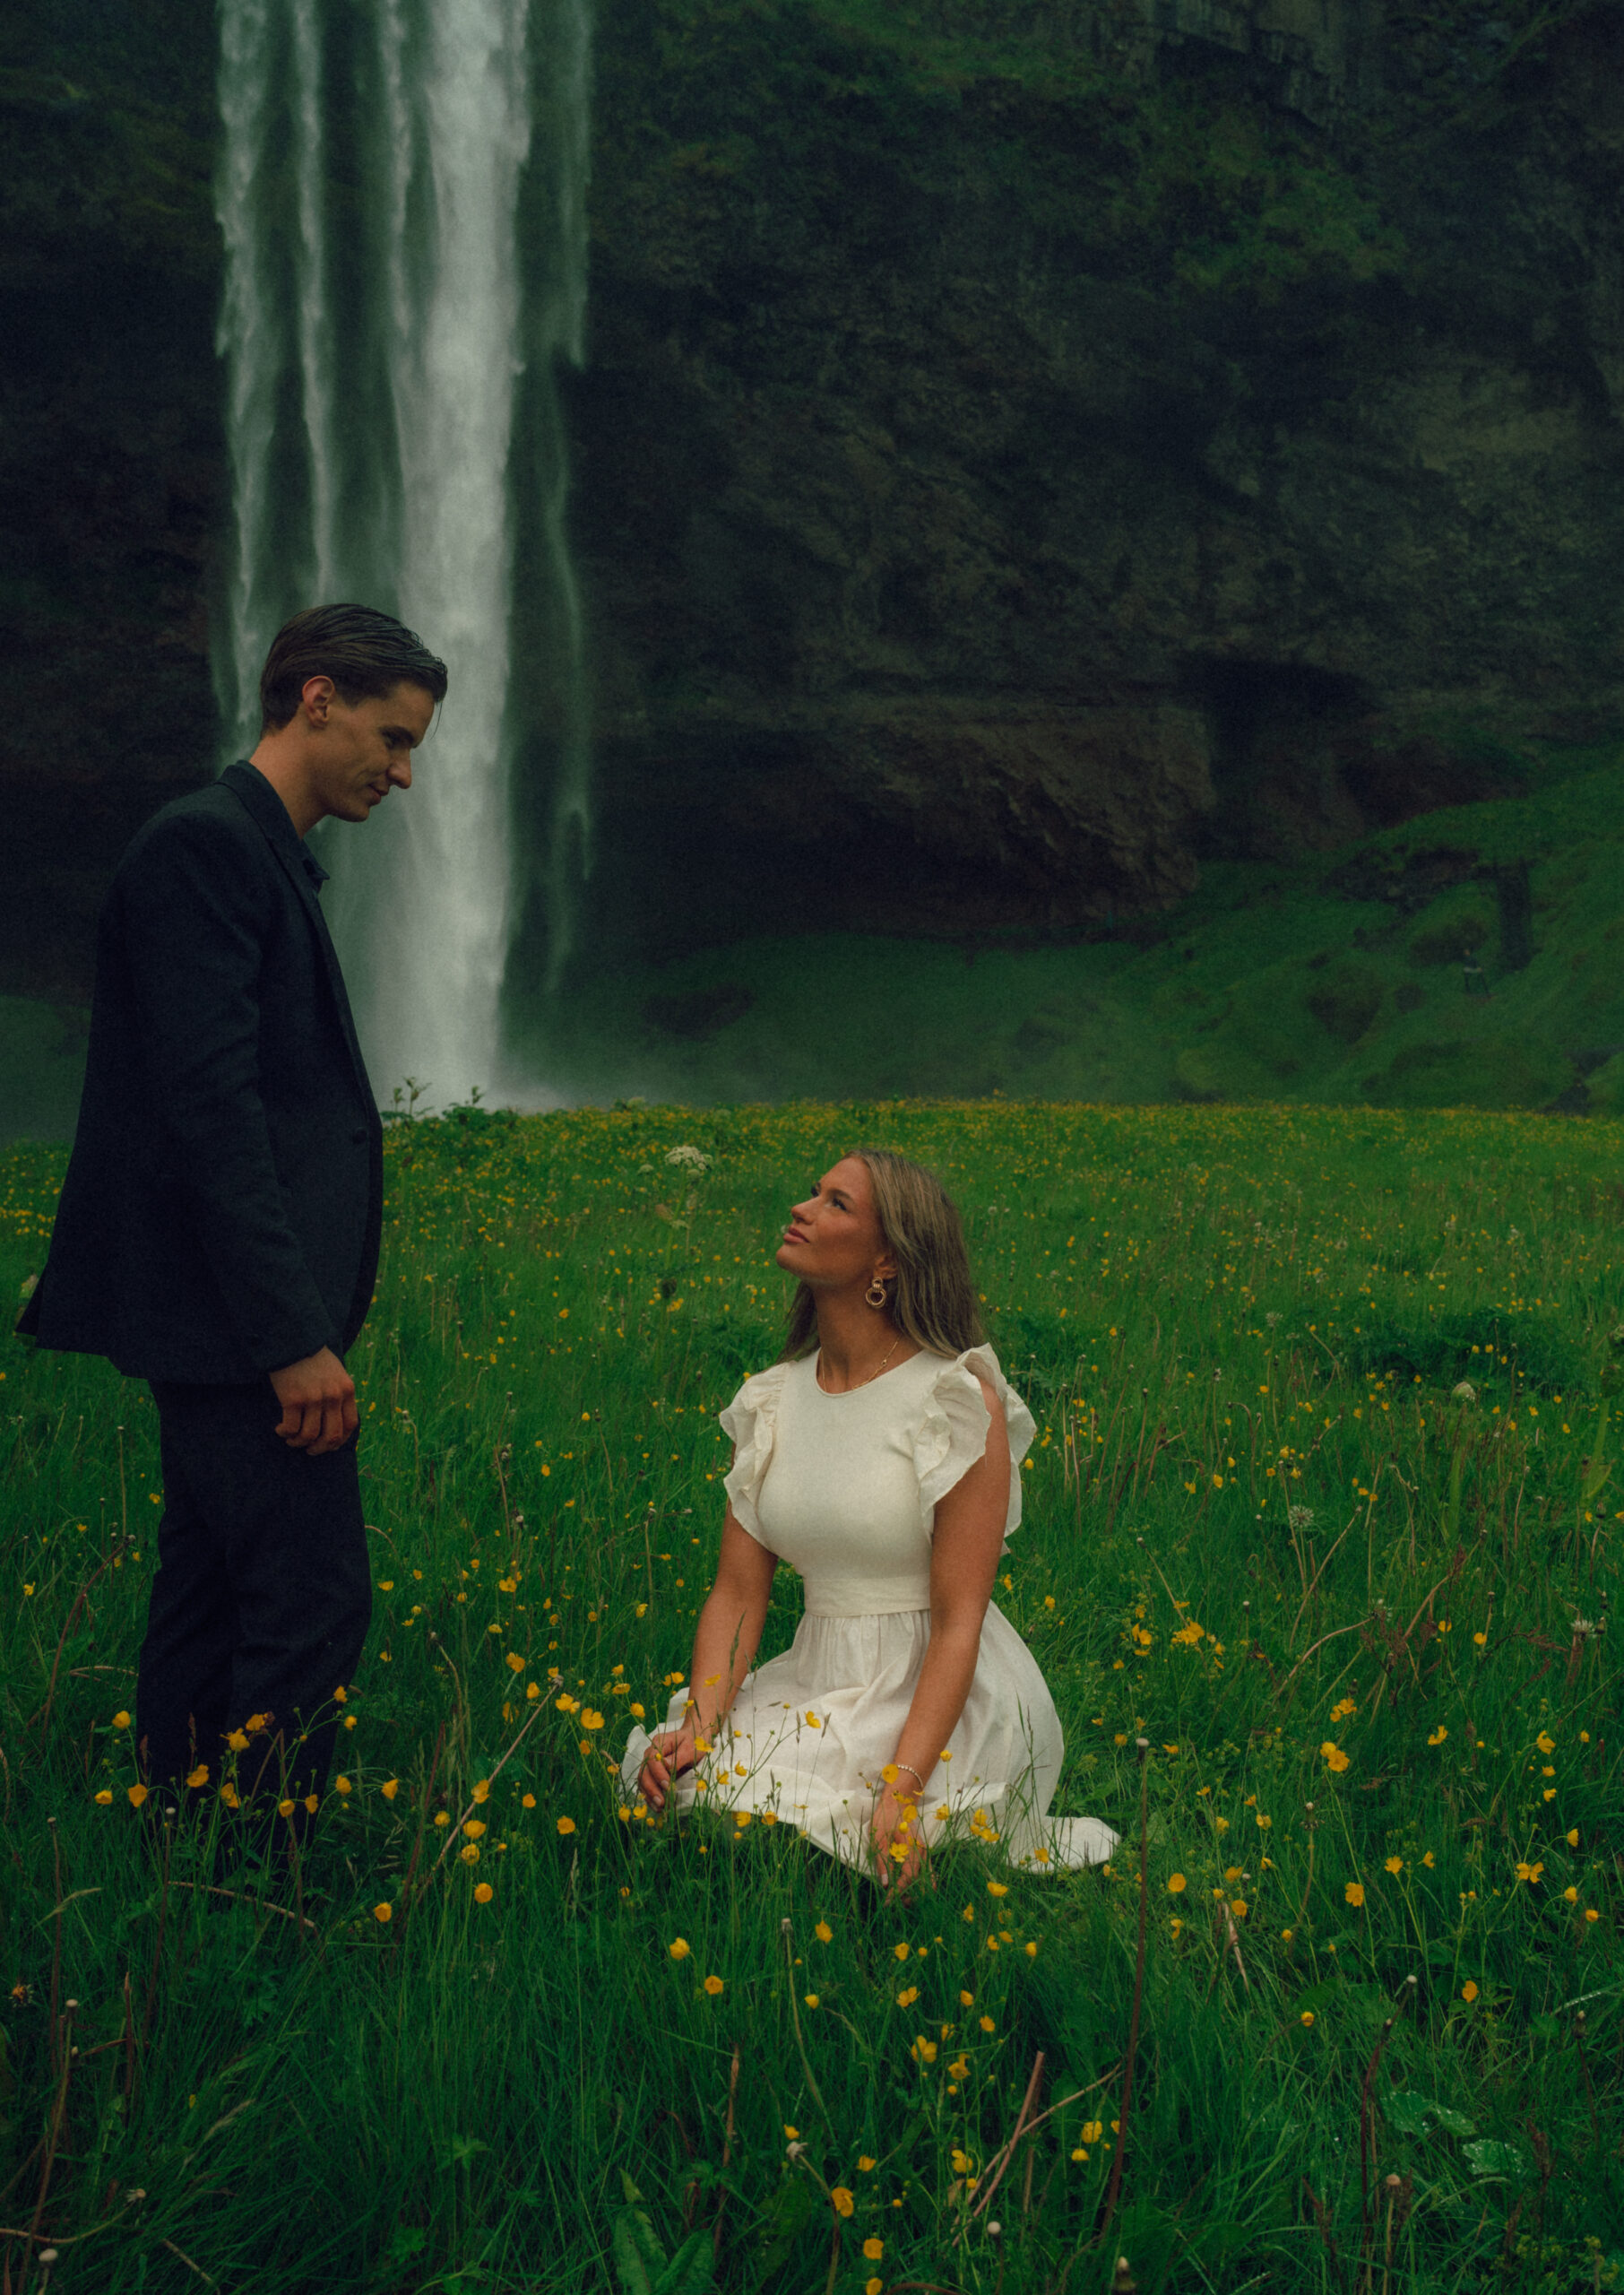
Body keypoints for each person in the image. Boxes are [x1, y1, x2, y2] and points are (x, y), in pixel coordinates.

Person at [16, 603, 447, 1846]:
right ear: (314, 699)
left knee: (209, 1589)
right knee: (314, 1601)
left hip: (224, 1321)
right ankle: (265, 1872)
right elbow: (210, 1121)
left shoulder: (247, 850)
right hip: (233, 1325)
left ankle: (180, 1851)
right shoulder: (205, 850)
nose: (404, 773)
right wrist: (291, 1336)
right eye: (391, 735)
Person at [625, 1149, 1117, 1882]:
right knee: (679, 1779)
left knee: (840, 1822)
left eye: (836, 1203)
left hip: (945, 1696)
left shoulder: (953, 1398)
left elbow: (959, 1621)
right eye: (812, 1193)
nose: (803, 1209)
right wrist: (700, 1724)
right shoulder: (773, 1399)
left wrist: (904, 1786)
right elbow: (737, 1594)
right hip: (820, 1676)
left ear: (887, 1257)